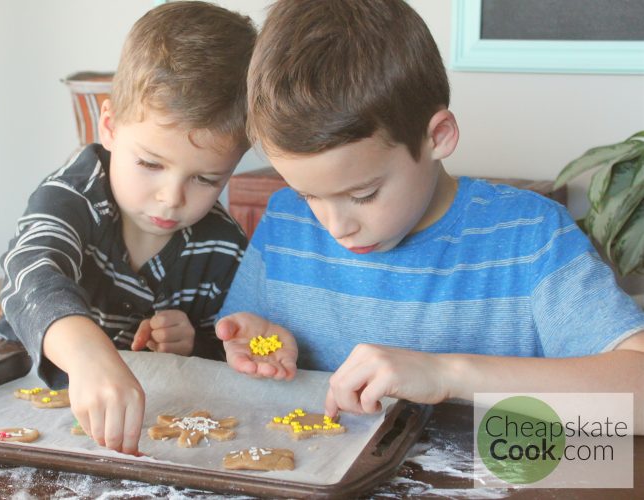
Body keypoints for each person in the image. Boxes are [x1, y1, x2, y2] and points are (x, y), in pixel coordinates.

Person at [215, 0, 644, 432]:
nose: (336, 226)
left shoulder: (531, 238)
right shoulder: (285, 222)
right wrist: (255, 347)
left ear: (438, 136)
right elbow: (242, 350)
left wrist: (448, 375)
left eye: (364, 194)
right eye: (308, 194)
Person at [0, 1, 256, 455]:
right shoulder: (73, 194)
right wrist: (87, 355)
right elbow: (31, 271)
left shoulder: (224, 245)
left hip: (139, 435)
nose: (172, 198)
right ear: (109, 127)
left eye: (206, 179)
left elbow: (225, 356)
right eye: (151, 164)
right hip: (19, 402)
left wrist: (194, 342)